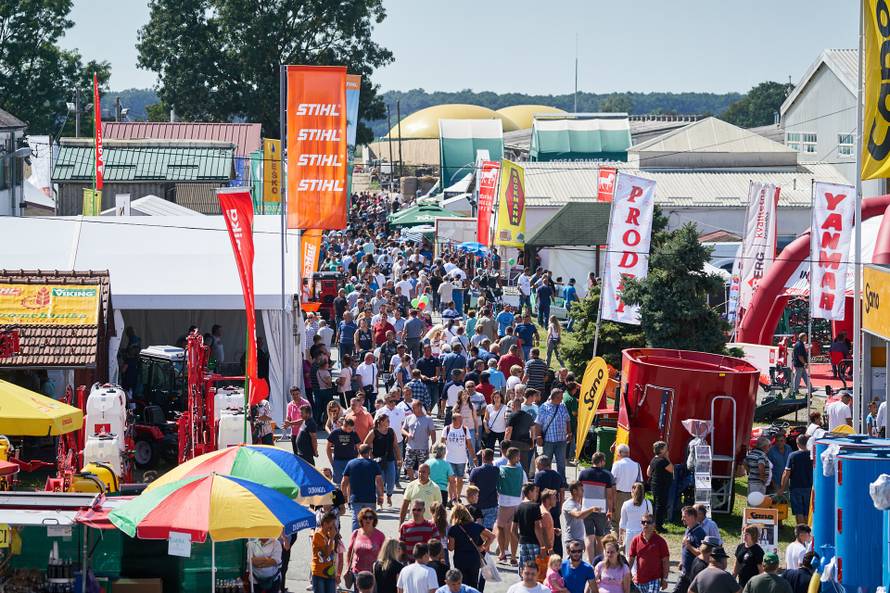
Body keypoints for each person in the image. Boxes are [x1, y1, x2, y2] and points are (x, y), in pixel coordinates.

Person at [448, 504, 496, 590]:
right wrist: (483, 546)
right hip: (474, 559)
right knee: (473, 584)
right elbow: (492, 536)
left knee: (461, 584)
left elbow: (451, 548)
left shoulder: (454, 529)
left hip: (460, 559)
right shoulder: (476, 527)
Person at [579, 451, 615, 562]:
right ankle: (599, 562)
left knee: (589, 536)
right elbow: (609, 496)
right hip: (601, 508)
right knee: (600, 537)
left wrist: (580, 505)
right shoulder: (606, 475)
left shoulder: (583, 473)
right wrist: (610, 510)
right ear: (601, 461)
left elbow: (580, 492)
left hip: (586, 508)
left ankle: (590, 562)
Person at [341, 444, 384, 530]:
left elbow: (344, 482)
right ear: (369, 452)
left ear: (358, 452)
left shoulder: (351, 463)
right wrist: (381, 496)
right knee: (370, 521)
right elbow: (379, 482)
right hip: (370, 499)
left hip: (355, 498)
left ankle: (355, 540)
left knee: (356, 520)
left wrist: (344, 495)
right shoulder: (373, 464)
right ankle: (369, 540)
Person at [496, 447, 526, 564]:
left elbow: (497, 486)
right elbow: (525, 485)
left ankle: (502, 553)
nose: (519, 458)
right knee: (514, 530)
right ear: (514, 457)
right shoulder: (520, 471)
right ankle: (513, 556)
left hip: (504, 502)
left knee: (501, 528)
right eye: (518, 456)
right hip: (517, 503)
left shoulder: (501, 470)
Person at [628, 512, 670, 593]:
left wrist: (664, 579)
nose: (646, 524)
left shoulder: (660, 541)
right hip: (639, 579)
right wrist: (627, 572)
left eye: (648, 522)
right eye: (643, 522)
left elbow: (665, 561)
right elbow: (631, 558)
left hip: (654, 579)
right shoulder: (635, 540)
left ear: (654, 525)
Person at [365, 414, 401, 507]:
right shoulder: (374, 432)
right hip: (378, 460)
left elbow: (396, 446)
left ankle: (389, 495)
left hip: (390, 459)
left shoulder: (391, 431)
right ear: (381, 422)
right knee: (380, 481)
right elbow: (365, 444)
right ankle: (380, 499)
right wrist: (371, 457)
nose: (389, 422)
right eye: (387, 421)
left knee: (391, 479)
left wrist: (399, 459)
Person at [536, 388, 572, 477]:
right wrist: (539, 436)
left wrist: (569, 433)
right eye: (560, 397)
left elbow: (567, 420)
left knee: (561, 463)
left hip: (561, 440)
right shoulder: (544, 407)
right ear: (554, 397)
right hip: (548, 440)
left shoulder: (562, 406)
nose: (561, 399)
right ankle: (547, 480)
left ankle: (562, 481)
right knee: (546, 463)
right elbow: (538, 423)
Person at [443, 412, 475, 506]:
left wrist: (473, 456)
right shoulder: (447, 429)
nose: (461, 421)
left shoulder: (465, 429)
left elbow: (469, 444)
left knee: (460, 480)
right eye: (460, 420)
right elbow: (442, 442)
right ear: (454, 420)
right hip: (449, 458)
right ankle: (451, 498)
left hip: (461, 459)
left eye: (462, 420)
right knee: (451, 480)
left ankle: (457, 497)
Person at [610, 444, 643, 534]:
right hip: (632, 495)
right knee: (628, 521)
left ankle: (616, 542)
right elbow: (640, 482)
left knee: (615, 522)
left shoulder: (617, 464)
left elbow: (612, 481)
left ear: (620, 453)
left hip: (618, 495)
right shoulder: (637, 465)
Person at [780, 435, 813, 525]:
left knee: (799, 511)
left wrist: (782, 488)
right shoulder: (812, 455)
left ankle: (801, 531)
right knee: (807, 510)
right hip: (809, 487)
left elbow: (786, 473)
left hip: (796, 487)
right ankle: (807, 531)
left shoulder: (793, 455)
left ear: (797, 443)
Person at [676, 506, 707, 593]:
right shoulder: (688, 529)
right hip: (685, 572)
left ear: (692, 517)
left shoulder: (699, 533)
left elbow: (701, 554)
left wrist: (688, 546)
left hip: (693, 573)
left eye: (684, 516)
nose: (682, 519)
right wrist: (682, 561)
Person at [405, 399, 437, 481]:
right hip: (410, 447)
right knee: (408, 465)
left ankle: (420, 482)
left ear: (420, 407)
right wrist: (407, 434)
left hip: (423, 447)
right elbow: (403, 429)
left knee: (422, 467)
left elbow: (433, 432)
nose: (413, 409)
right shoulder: (409, 417)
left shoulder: (428, 419)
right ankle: (412, 481)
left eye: (414, 407)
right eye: (412, 408)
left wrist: (433, 445)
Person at [468, 449, 500, 531]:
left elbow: (471, 489)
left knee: (478, 531)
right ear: (492, 458)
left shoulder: (475, 471)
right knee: (488, 531)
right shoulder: (496, 470)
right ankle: (486, 544)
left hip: (478, 506)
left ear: (482, 457)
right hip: (491, 505)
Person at [513, 483, 543, 569]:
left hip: (523, 542)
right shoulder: (535, 506)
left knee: (524, 568)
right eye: (535, 491)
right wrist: (542, 545)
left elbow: (513, 529)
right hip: (534, 542)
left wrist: (520, 540)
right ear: (530, 492)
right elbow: (537, 527)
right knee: (536, 569)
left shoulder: (518, 507)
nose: (537, 494)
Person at [505, 397, 537, 474]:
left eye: (512, 406)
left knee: (513, 464)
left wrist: (506, 443)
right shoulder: (528, 416)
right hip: (525, 444)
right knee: (524, 466)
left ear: (513, 406)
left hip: (513, 443)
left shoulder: (512, 416)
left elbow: (508, 431)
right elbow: (533, 430)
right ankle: (524, 482)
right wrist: (532, 442)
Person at [563, 482, 596, 554]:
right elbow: (578, 515)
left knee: (578, 563)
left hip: (579, 539)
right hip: (572, 539)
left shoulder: (577, 503)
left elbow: (582, 516)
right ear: (574, 491)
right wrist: (592, 509)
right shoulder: (569, 504)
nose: (583, 491)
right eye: (581, 489)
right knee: (572, 563)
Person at [647, 441, 673, 532]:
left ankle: (655, 523)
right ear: (661, 450)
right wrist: (667, 458)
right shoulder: (663, 461)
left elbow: (648, 472)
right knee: (660, 506)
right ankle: (658, 526)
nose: (667, 449)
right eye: (666, 448)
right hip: (662, 486)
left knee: (656, 505)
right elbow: (671, 469)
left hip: (655, 485)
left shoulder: (654, 459)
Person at [312, 511, 340, 593]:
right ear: (325, 523)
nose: (334, 527)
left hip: (330, 572)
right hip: (319, 573)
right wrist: (331, 538)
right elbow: (326, 554)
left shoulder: (330, 535)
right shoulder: (317, 535)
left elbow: (335, 554)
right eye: (332, 524)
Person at [619, 482, 652, 550]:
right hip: (643, 534)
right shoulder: (648, 503)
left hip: (629, 535)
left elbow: (622, 523)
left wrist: (620, 538)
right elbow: (651, 519)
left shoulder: (626, 504)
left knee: (629, 557)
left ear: (632, 491)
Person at [327, 417, 361, 485]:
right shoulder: (335, 433)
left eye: (352, 428)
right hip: (338, 461)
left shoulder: (353, 433)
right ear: (344, 426)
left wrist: (357, 459)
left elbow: (359, 448)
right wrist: (331, 461)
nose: (351, 430)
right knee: (338, 483)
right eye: (349, 429)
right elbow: (328, 447)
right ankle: (338, 496)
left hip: (350, 461)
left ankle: (348, 496)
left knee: (350, 483)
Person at [284, 387, 312, 453]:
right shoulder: (289, 405)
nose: (296, 396)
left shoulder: (306, 403)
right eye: (293, 394)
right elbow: (288, 417)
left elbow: (304, 420)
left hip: (305, 433)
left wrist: (290, 423)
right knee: (296, 454)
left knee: (305, 455)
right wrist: (286, 423)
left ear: (300, 393)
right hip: (294, 433)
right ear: (291, 395)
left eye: (297, 394)